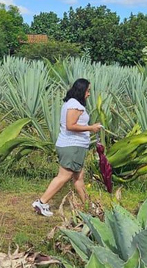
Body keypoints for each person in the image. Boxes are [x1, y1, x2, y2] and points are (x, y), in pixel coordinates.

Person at [32, 78, 102, 217]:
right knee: (64, 176)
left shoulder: (71, 103)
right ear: (81, 90)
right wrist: (91, 128)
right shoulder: (75, 105)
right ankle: (42, 202)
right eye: (88, 91)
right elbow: (71, 125)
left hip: (74, 146)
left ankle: (88, 205)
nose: (89, 94)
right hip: (72, 146)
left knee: (78, 177)